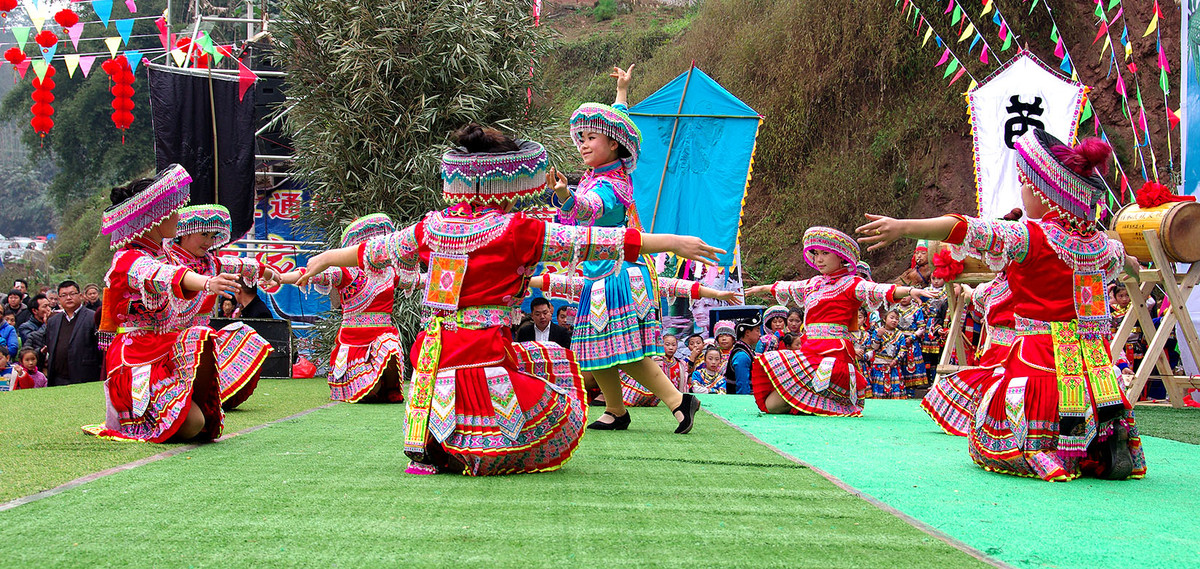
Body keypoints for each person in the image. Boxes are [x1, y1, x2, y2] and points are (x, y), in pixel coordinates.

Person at [296, 125, 722, 475]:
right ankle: (481, 441)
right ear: (505, 178)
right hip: (483, 351)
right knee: (555, 381)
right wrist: (668, 241)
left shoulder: (432, 226)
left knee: (540, 358)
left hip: (435, 353)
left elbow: (376, 251)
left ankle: (434, 442)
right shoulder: (517, 230)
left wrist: (324, 257)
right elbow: (594, 241)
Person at [857, 128, 1144, 481]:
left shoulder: (1031, 236)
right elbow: (1128, 262)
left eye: (1025, 183)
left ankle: (1042, 452)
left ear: (1045, 192)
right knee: (1086, 394)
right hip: (1089, 354)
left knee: (999, 427)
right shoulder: (1101, 244)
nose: (1022, 191)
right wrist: (1136, 268)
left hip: (1040, 350)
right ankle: (1099, 443)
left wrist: (905, 227)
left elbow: (965, 228)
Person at [548, 63, 704, 433]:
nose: (583, 144)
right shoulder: (599, 174)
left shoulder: (609, 184)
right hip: (598, 275)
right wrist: (621, 92)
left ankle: (680, 401)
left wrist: (565, 196)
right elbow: (620, 121)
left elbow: (591, 210)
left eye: (590, 138)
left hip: (617, 275)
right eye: (580, 138)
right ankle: (616, 410)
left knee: (623, 350)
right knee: (591, 348)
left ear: (613, 144)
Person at [88, 165, 242, 443]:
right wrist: (208, 283)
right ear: (154, 218)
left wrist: (275, 274)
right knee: (194, 420)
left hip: (165, 349)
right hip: (138, 359)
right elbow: (163, 275)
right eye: (170, 211)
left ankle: (185, 406)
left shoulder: (166, 255)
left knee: (205, 340)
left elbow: (228, 265)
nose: (177, 215)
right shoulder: (129, 258)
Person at [745, 227, 933, 416]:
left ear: (842, 257)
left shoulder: (852, 283)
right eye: (816, 253)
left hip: (832, 355)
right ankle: (813, 404)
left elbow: (878, 289)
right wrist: (763, 288)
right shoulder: (814, 283)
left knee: (776, 405)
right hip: (809, 349)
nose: (819, 259)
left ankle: (821, 402)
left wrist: (909, 291)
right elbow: (789, 286)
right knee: (772, 405)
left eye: (825, 253)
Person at [529, 272, 735, 405]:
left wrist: (716, 292)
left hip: (634, 368)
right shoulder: (594, 282)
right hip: (607, 357)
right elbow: (559, 281)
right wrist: (523, 281)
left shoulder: (640, 278)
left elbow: (675, 286)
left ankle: (672, 402)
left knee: (629, 363)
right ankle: (615, 409)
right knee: (598, 365)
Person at [277, 213, 406, 404]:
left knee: (390, 344)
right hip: (354, 341)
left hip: (383, 335)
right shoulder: (345, 272)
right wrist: (279, 278)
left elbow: (417, 280)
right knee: (369, 393)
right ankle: (371, 386)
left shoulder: (390, 271)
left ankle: (390, 388)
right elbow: (310, 274)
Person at [164, 204, 276, 410]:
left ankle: (213, 393)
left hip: (200, 339)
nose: (209, 241)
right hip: (169, 343)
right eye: (204, 234)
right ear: (184, 232)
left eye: (213, 235)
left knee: (247, 336)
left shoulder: (210, 262)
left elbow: (241, 264)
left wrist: (269, 273)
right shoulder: (167, 261)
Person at [922, 274, 1014, 437]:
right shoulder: (947, 304)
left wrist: (971, 292)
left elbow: (981, 307)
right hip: (1000, 344)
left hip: (1000, 345)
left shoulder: (1000, 286)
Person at [43, 280, 101, 387]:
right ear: (59, 299)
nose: (68, 298)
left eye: (72, 294)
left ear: (81, 296)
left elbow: (100, 350)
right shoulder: (53, 321)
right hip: (58, 379)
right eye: (64, 295)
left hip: (85, 377)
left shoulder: (92, 317)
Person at [866, 308, 912, 399]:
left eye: (897, 319)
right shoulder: (877, 331)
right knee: (879, 391)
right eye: (892, 318)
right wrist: (879, 336)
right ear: (884, 319)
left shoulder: (900, 334)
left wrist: (896, 360)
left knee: (895, 391)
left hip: (893, 365)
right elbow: (874, 348)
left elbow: (903, 350)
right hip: (879, 365)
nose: (894, 320)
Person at [726, 318, 759, 395]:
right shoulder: (742, 356)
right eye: (757, 330)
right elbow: (742, 386)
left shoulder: (746, 350)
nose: (759, 334)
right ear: (747, 333)